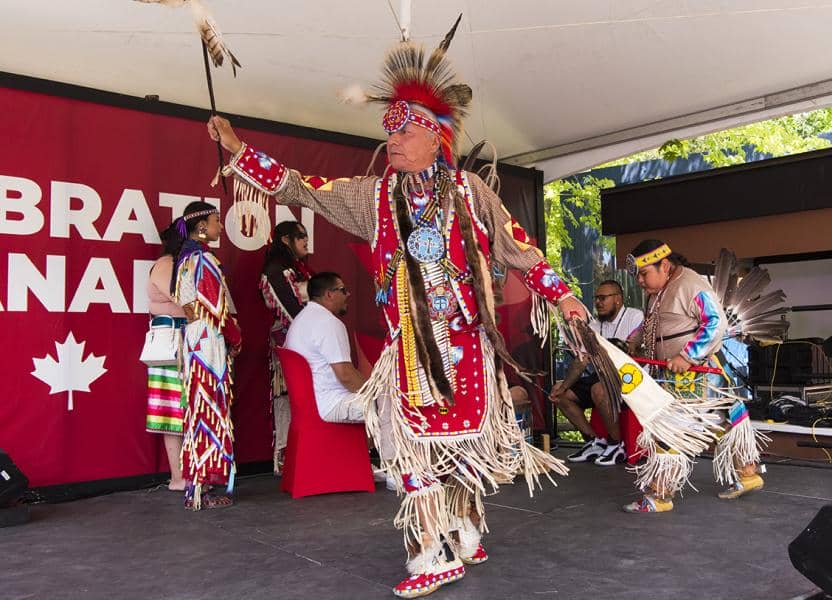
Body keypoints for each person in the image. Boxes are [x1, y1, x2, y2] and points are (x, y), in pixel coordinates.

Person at [206, 20, 583, 597]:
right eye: (391, 131)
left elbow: (516, 247)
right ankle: (433, 550)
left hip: (467, 346)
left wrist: (562, 294)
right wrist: (240, 152)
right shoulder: (372, 196)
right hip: (410, 350)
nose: (394, 141)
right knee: (408, 446)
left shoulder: (471, 193)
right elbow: (301, 187)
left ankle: (463, 532)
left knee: (461, 448)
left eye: (406, 131)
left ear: (436, 136)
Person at [620, 240, 765, 513]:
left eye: (644, 273)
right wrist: (633, 340)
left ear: (665, 265)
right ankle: (748, 474)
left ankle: (660, 494)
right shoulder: (660, 288)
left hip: (694, 375)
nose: (639, 280)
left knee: (670, 430)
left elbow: (716, 322)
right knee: (723, 422)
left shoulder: (690, 285)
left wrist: (687, 356)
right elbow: (654, 322)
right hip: (679, 373)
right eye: (638, 275)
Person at [172, 201, 242, 511]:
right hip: (208, 337)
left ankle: (197, 486)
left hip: (194, 336)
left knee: (200, 407)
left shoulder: (186, 257)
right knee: (210, 406)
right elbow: (216, 309)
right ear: (202, 226)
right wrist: (235, 336)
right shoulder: (203, 259)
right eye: (216, 220)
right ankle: (204, 487)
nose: (220, 226)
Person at [551, 280, 643, 466]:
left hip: (630, 377)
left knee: (599, 389)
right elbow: (581, 360)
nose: (598, 303)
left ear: (617, 299)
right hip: (601, 377)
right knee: (560, 394)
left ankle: (616, 444)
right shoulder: (593, 326)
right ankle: (595, 442)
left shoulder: (634, 316)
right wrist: (563, 387)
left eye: (603, 298)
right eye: (596, 299)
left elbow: (632, 348)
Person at [260, 220, 314, 473]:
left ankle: (306, 452)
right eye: (300, 236)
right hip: (290, 341)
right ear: (285, 240)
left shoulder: (297, 269)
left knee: (303, 396)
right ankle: (287, 456)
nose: (306, 240)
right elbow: (291, 310)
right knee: (287, 396)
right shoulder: (276, 271)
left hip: (307, 340)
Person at [285, 272, 368, 423]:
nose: (348, 294)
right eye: (343, 290)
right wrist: (374, 392)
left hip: (311, 404)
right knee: (392, 407)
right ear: (329, 294)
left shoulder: (301, 319)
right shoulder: (328, 322)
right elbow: (346, 376)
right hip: (331, 403)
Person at [144, 223, 188, 491]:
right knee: (172, 410)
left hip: (189, 337)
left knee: (191, 406)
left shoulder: (181, 264)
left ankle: (192, 472)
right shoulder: (166, 264)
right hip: (171, 340)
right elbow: (184, 298)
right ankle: (178, 476)